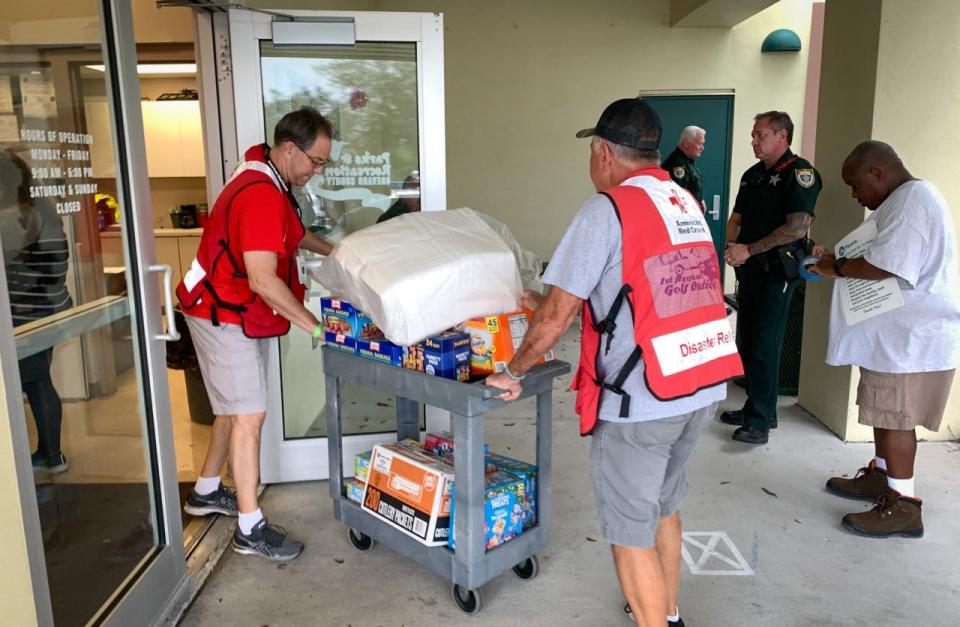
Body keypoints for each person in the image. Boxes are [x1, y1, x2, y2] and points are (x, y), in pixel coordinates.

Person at [487, 98, 741, 627]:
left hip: (642, 401)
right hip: (700, 384)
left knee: (629, 534)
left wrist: (512, 372)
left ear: (603, 153)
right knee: (664, 507)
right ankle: (667, 613)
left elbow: (558, 317)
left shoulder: (607, 209)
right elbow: (644, 289)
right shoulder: (683, 201)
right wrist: (542, 306)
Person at [176, 106, 335, 561]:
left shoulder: (271, 176)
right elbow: (263, 279)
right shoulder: (261, 193)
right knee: (249, 414)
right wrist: (313, 325)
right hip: (220, 311)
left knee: (233, 407)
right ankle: (250, 527)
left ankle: (206, 490)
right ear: (289, 150)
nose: (317, 170)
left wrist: (337, 252)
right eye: (316, 161)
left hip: (229, 307)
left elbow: (294, 233)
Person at [810, 141, 960, 538]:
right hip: (896, 338)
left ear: (877, 172)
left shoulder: (913, 202)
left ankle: (905, 504)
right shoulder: (906, 199)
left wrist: (836, 267)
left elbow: (883, 265)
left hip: (908, 342)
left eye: (855, 185)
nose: (854, 195)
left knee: (895, 419)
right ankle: (881, 476)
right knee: (882, 412)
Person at [721, 111, 822, 444]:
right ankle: (759, 406)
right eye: (753, 135)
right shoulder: (752, 175)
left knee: (766, 343)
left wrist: (747, 250)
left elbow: (796, 227)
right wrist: (731, 247)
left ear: (783, 136)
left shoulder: (800, 173)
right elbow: (736, 218)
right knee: (747, 341)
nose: (754, 141)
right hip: (749, 270)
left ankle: (760, 421)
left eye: (760, 135)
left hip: (778, 271)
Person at [0, 150, 72, 474]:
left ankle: (51, 455)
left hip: (27, 311)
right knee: (38, 378)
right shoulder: (40, 204)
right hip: (48, 305)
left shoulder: (16, 214)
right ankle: (49, 452)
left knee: (36, 380)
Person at [661, 126, 706, 210]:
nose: (702, 148)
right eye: (700, 144)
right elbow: (678, 197)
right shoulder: (678, 163)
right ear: (686, 144)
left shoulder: (687, 161)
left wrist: (700, 200)